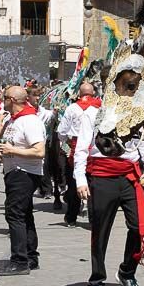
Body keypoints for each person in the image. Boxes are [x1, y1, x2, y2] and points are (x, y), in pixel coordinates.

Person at [75, 67, 144, 286]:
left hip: (130, 176)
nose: (132, 92)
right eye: (128, 87)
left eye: (134, 88)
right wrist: (80, 179)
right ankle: (96, 279)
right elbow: (81, 149)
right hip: (102, 175)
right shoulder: (94, 113)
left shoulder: (140, 113)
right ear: (114, 86)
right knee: (100, 230)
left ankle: (127, 272)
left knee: (139, 229)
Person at [0, 86, 46, 276]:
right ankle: (30, 256)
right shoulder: (14, 119)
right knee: (24, 214)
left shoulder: (29, 121)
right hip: (15, 171)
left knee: (15, 214)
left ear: (12, 100)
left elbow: (39, 151)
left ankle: (19, 260)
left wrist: (12, 151)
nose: (2, 101)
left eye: (4, 98)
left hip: (24, 173)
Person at [59, 81, 101, 225]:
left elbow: (61, 131)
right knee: (94, 184)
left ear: (79, 93)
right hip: (96, 149)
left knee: (74, 183)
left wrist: (67, 142)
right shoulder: (99, 107)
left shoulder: (72, 108)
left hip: (77, 147)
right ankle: (93, 218)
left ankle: (71, 217)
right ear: (93, 93)